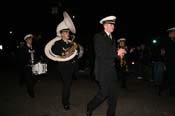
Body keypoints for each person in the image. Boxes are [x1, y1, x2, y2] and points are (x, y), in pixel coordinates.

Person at [86, 15, 125, 116]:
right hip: (102, 70)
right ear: (105, 26)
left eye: (113, 24)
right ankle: (90, 106)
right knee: (104, 93)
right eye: (111, 24)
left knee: (113, 94)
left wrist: (120, 54)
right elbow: (100, 53)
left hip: (112, 71)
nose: (113, 26)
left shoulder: (112, 38)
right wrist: (116, 53)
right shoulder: (98, 36)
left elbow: (112, 53)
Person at [51, 28, 78, 110]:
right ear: (62, 34)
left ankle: (66, 98)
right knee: (67, 84)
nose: (68, 34)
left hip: (71, 66)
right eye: (66, 32)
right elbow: (54, 50)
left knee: (68, 84)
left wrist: (76, 52)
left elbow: (74, 53)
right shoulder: (58, 43)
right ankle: (65, 102)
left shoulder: (71, 43)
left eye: (68, 32)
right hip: (63, 66)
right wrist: (63, 53)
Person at [17, 34, 40, 98]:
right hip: (27, 67)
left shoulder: (34, 47)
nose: (30, 40)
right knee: (29, 80)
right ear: (26, 40)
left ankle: (29, 85)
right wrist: (28, 61)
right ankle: (31, 93)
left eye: (31, 39)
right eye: (29, 39)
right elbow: (21, 58)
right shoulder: (23, 48)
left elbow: (37, 55)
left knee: (35, 78)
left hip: (34, 66)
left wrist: (38, 60)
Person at [159, 27, 175, 96]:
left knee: (173, 78)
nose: (174, 34)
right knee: (168, 78)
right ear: (170, 33)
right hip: (169, 62)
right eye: (174, 32)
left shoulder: (174, 41)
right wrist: (165, 63)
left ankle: (172, 92)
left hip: (173, 62)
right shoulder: (166, 41)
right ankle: (161, 90)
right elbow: (162, 53)